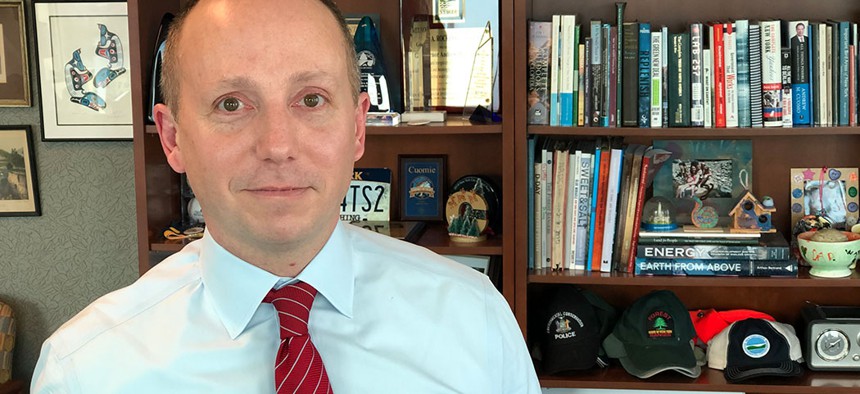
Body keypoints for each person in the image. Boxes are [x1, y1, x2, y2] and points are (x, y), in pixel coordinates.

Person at [31, 0, 540, 392]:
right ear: (172, 137)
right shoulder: (83, 371)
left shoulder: (475, 319)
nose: (277, 145)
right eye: (231, 103)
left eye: (311, 99)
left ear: (358, 127)